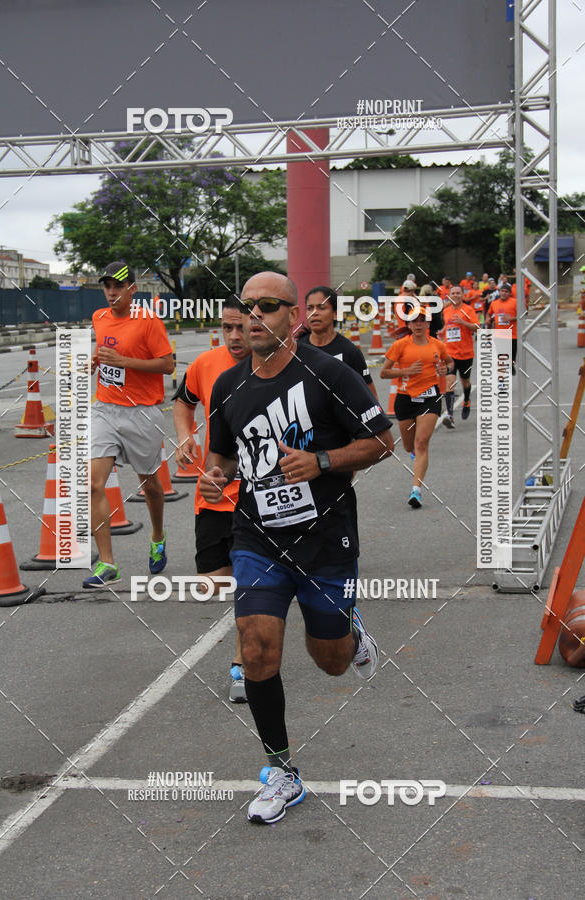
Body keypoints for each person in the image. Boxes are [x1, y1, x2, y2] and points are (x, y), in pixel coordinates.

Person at [200, 271, 394, 825]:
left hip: (326, 538)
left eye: (267, 305)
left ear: (293, 316)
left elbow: (385, 439)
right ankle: (282, 772)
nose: (254, 316)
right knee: (256, 646)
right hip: (257, 537)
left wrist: (324, 461)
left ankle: (352, 637)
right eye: (247, 306)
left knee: (329, 660)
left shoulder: (328, 374)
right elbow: (224, 458)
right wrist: (215, 477)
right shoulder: (228, 386)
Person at [173, 296, 251, 703]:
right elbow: (183, 402)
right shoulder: (205, 365)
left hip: (257, 500)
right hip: (213, 495)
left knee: (249, 586)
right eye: (228, 328)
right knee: (211, 586)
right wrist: (185, 435)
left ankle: (241, 665)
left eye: (241, 327)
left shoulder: (272, 366)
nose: (235, 336)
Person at [85, 261, 174, 588]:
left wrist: (124, 362)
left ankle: (157, 534)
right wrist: (95, 361)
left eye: (118, 286)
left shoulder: (148, 321)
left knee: (150, 486)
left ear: (132, 290)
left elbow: (167, 365)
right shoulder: (99, 318)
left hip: (142, 411)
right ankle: (108, 563)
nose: (111, 292)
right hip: (105, 409)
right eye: (107, 286)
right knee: (94, 484)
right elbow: (104, 347)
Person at [379, 306, 452, 508]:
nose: (418, 324)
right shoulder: (400, 345)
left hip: (430, 398)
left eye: (422, 320)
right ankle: (415, 455)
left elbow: (450, 363)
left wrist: (446, 368)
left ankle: (416, 491)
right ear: (409, 325)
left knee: (421, 443)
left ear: (428, 323)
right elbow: (383, 373)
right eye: (414, 320)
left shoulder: (438, 345)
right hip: (405, 400)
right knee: (409, 446)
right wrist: (406, 371)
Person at [297, 285, 377, 398]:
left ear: (335, 314)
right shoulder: (297, 349)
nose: (314, 313)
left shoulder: (349, 352)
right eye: (310, 308)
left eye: (321, 307)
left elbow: (371, 397)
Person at [439, 285, 480, 426]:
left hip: (466, 353)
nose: (455, 295)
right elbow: (448, 326)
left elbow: (478, 327)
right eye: (453, 293)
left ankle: (467, 400)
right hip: (449, 353)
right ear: (449, 295)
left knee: (465, 382)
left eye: (458, 293)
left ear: (463, 295)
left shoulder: (468, 310)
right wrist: (442, 331)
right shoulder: (446, 310)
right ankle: (450, 416)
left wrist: (463, 322)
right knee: (449, 382)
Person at [486, 283, 517, 374]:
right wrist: (488, 319)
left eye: (506, 292)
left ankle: (511, 364)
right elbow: (489, 313)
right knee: (501, 358)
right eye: (502, 291)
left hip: (512, 335)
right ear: (499, 292)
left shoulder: (515, 302)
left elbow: (523, 315)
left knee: (511, 358)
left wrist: (511, 318)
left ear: (510, 293)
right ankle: (501, 382)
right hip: (499, 335)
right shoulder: (494, 303)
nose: (503, 293)